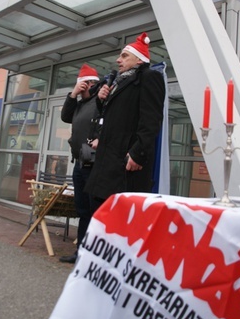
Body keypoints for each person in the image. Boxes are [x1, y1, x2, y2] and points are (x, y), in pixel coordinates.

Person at [85, 32, 165, 212]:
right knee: (97, 214)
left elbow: (151, 120)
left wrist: (138, 153)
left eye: (124, 55)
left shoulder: (149, 77)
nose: (118, 60)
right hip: (107, 162)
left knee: (119, 223)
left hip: (124, 166)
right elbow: (112, 117)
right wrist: (101, 100)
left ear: (139, 60)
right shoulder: (120, 82)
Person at [59, 64, 100, 264]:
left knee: (95, 211)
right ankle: (81, 252)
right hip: (79, 164)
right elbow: (65, 116)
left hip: (95, 165)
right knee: (82, 210)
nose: (88, 86)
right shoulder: (79, 105)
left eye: (91, 83)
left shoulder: (100, 102)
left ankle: (94, 255)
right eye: (84, 83)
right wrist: (73, 94)